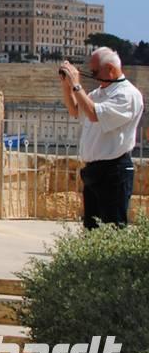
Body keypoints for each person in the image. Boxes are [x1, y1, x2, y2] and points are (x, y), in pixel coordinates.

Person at [59, 47, 144, 229]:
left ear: (111, 69)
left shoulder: (128, 95)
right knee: (92, 229)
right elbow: (76, 110)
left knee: (111, 228)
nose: (93, 76)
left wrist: (76, 85)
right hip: (94, 171)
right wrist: (67, 85)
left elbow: (94, 114)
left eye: (95, 72)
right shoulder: (98, 94)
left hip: (114, 171)